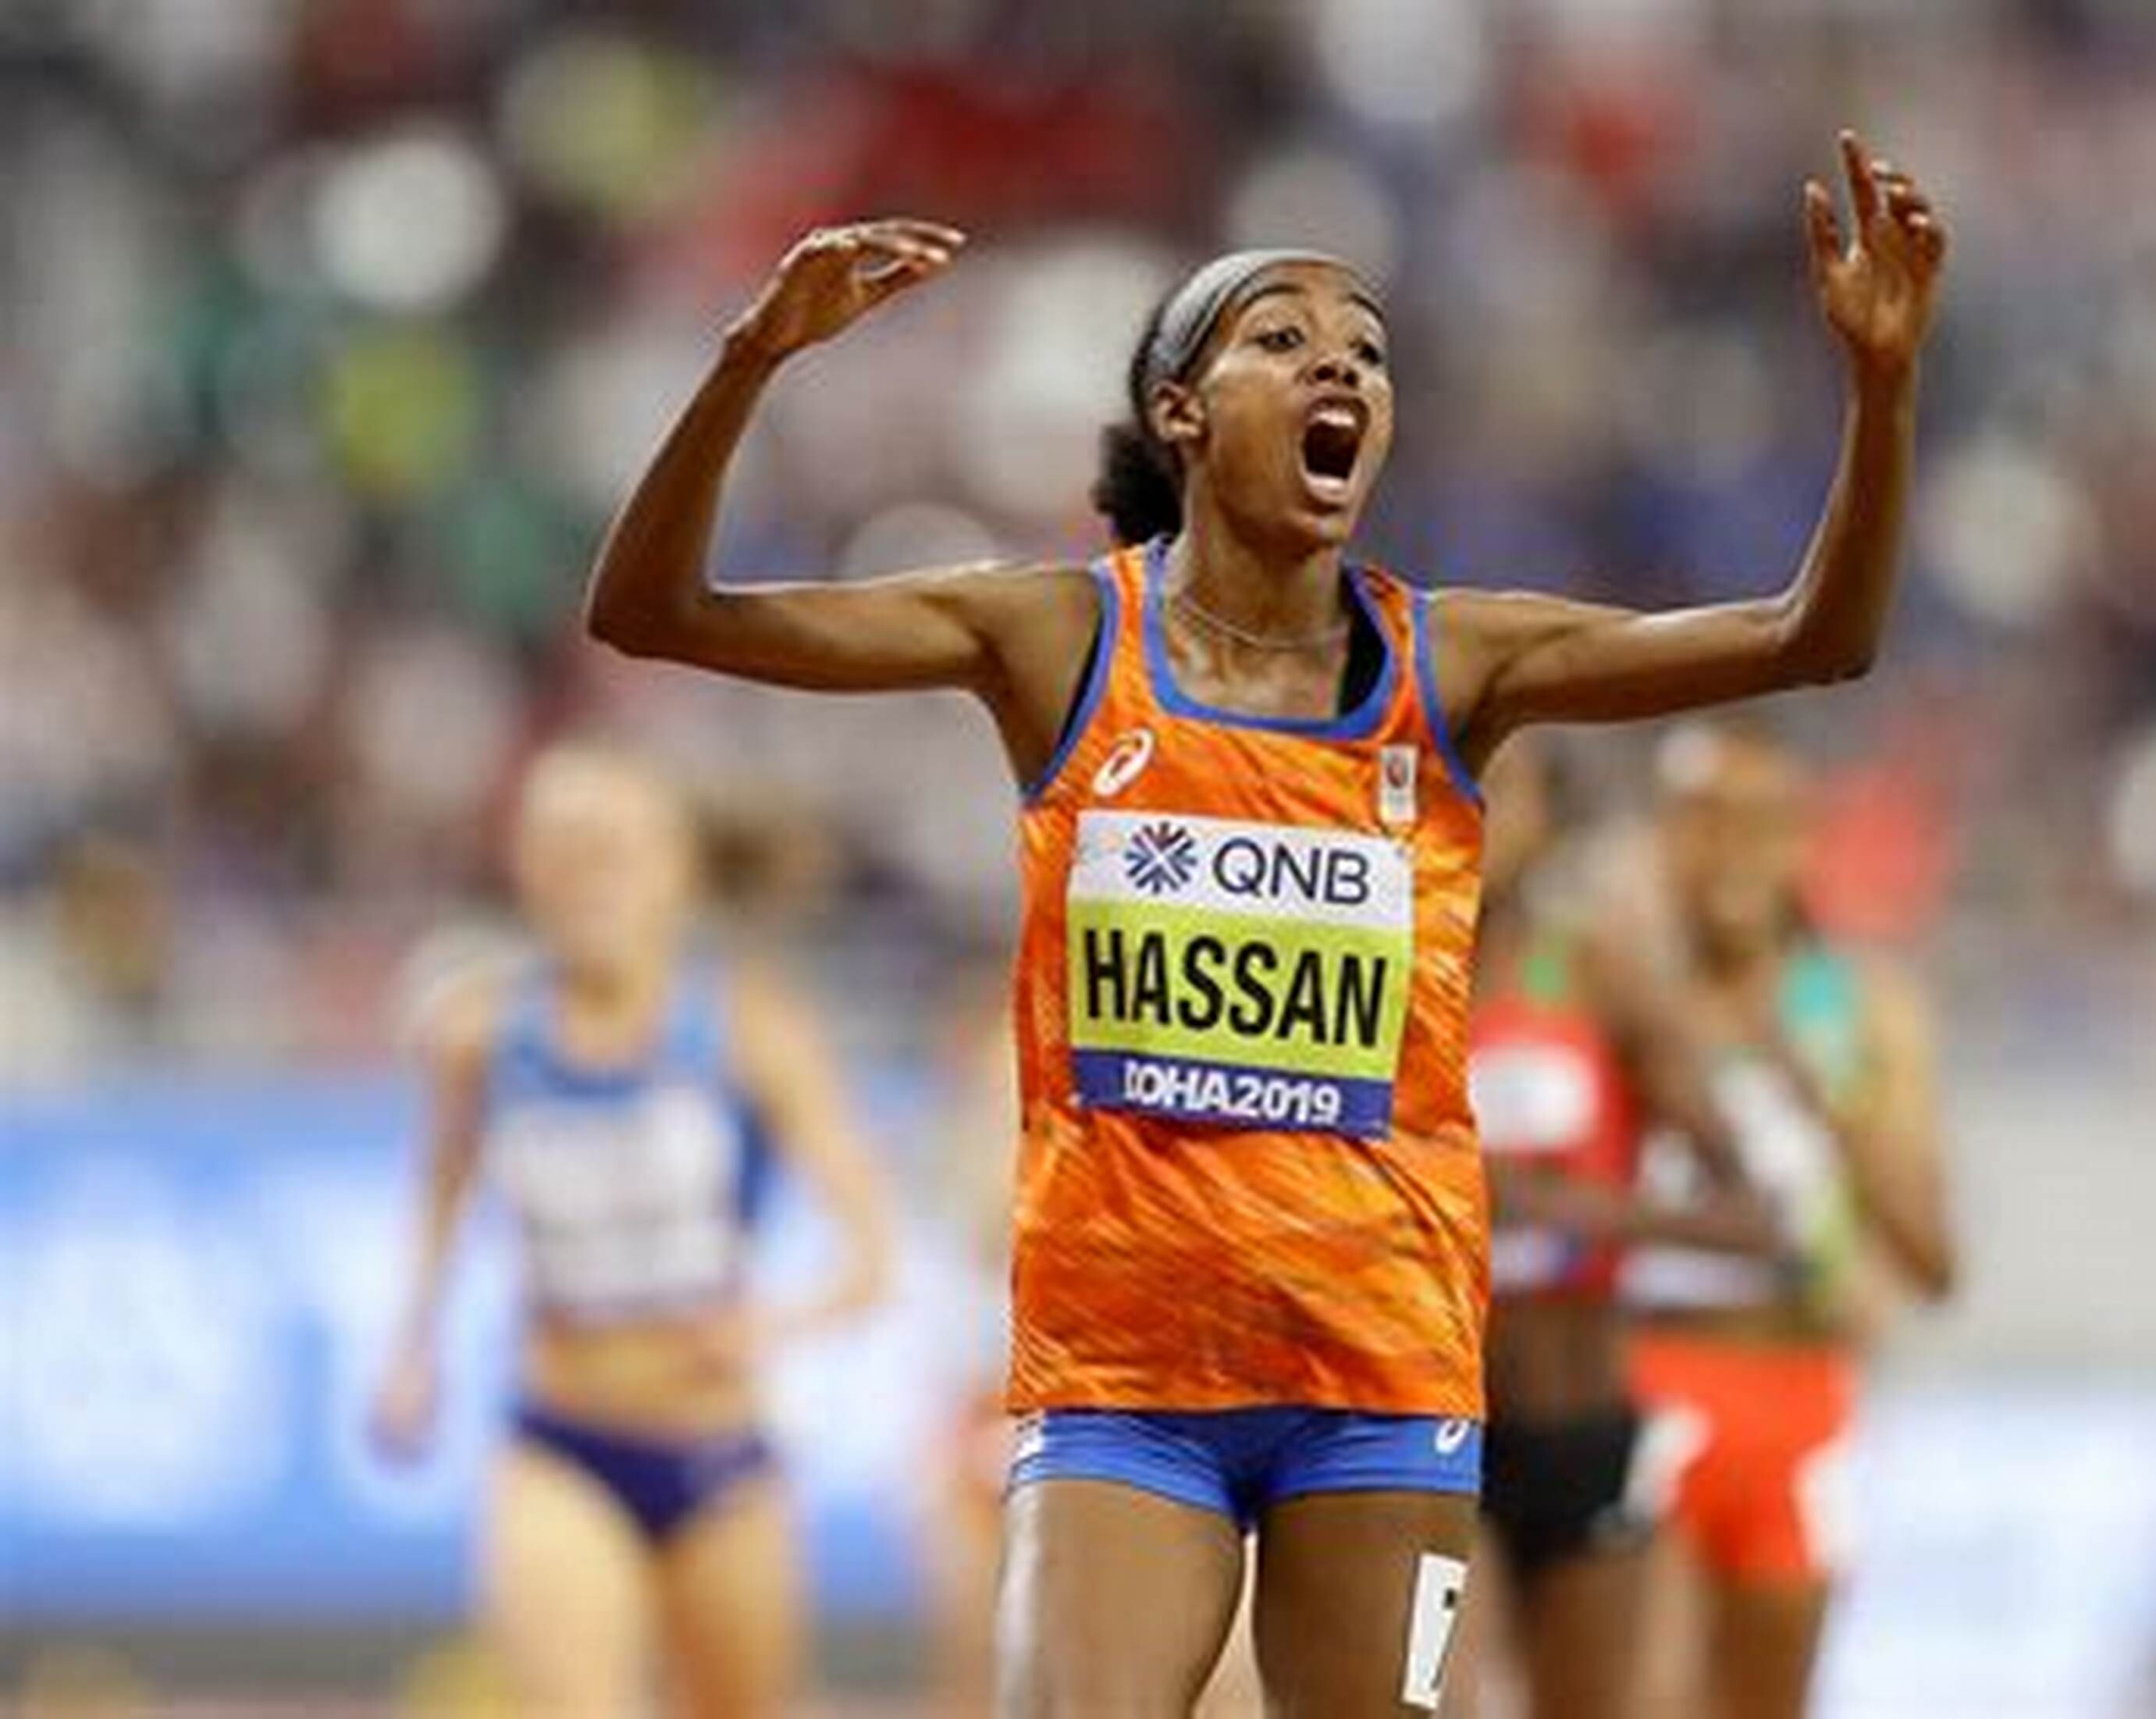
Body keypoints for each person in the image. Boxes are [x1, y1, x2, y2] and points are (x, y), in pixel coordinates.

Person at [583, 129, 1944, 1717]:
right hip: (1125, 1381)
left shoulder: (1454, 665)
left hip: (1381, 1383)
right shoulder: (1057, 636)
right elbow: (652, 611)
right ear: (1182, 411)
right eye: (1284, 339)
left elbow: (1813, 636)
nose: (1341, 366)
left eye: (1366, 349)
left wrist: (1881, 386)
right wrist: (751, 358)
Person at [368, 744, 891, 1719]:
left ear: (676, 870)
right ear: (523, 870)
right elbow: (441, 1183)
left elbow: (872, 1260)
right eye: (559, 851)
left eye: (610, 851)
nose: (584, 879)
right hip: (559, 1440)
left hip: (719, 1456)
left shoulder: (750, 1030)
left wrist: (773, 1325)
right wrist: (412, 1348)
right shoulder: (479, 1034)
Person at [1621, 725, 1957, 1719]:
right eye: (1701, 822)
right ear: (1662, 839)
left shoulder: (1855, 1008)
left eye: (1758, 825)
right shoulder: (1621, 992)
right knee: (1650, 1693)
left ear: (1802, 843)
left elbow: (1934, 1260)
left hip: (1802, 1393)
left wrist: (1827, 1097)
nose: (1729, 852)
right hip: (1646, 1379)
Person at [1464, 735, 1784, 1719]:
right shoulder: (1385, 975)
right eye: (1457, 780)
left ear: (1549, 819)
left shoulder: (1599, 975)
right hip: (1433, 1429)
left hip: (1583, 1424)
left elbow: (1754, 1219)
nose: (1476, 814)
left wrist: (1572, 1214)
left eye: (1503, 789)